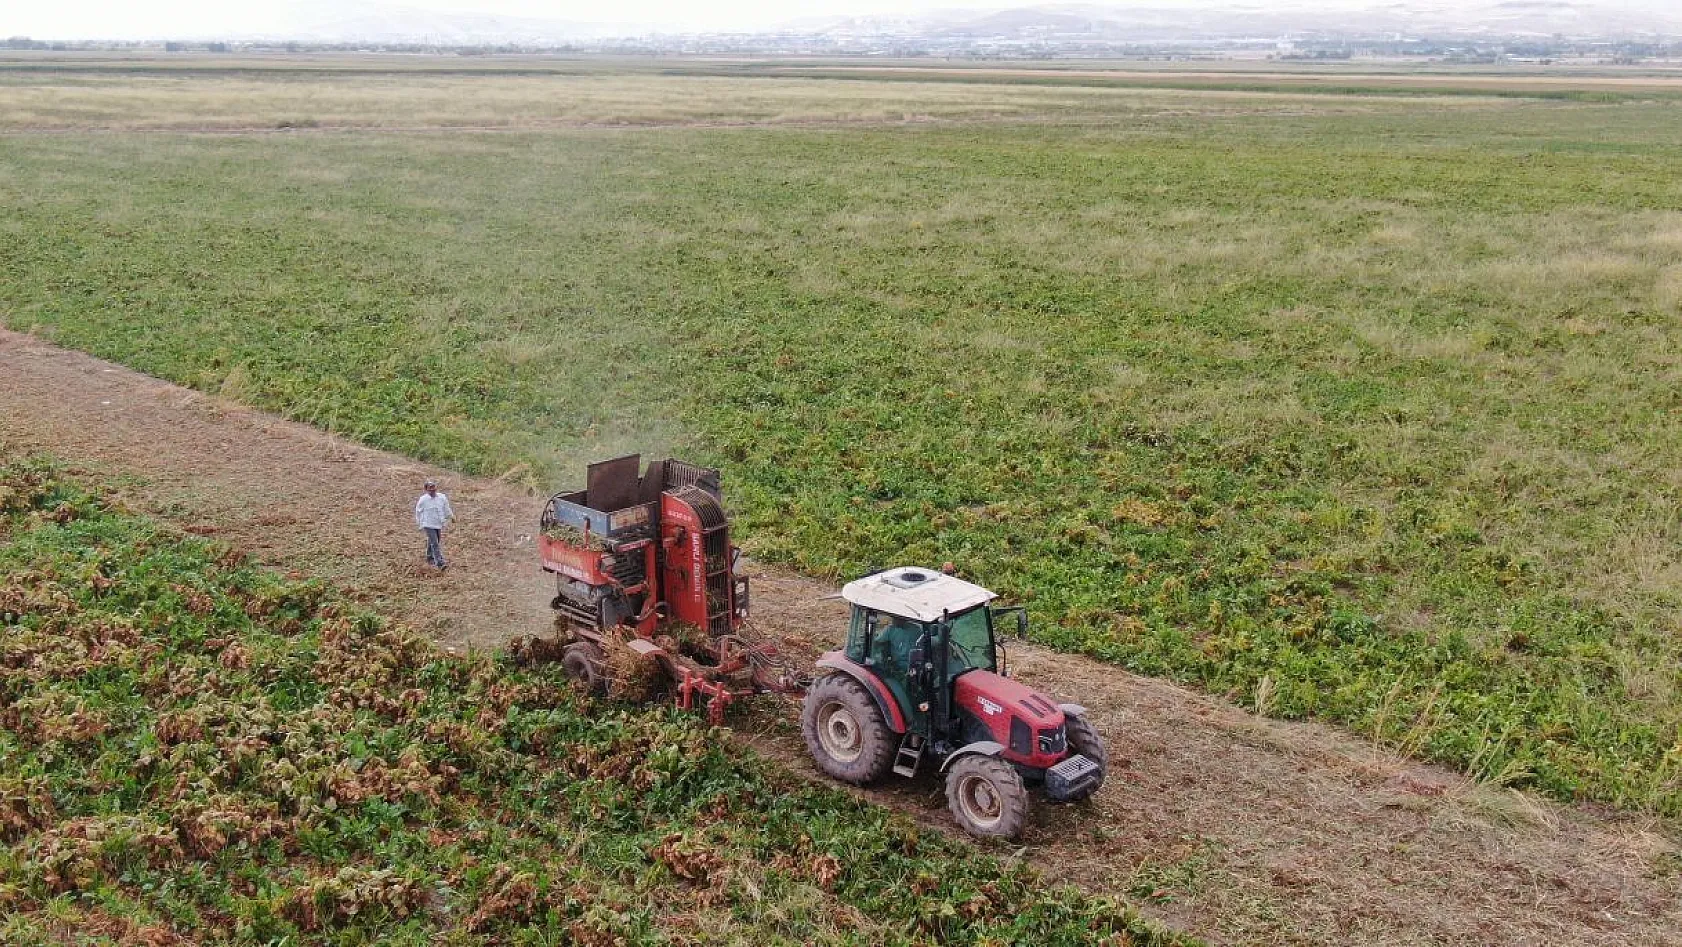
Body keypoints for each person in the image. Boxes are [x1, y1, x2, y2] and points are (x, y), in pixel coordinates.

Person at [414, 479, 455, 570]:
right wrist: (419, 523)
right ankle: (440, 563)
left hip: (438, 523)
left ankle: (429, 557)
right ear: (426, 490)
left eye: (434, 487)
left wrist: (451, 516)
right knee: (435, 543)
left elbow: (446, 507)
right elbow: (418, 511)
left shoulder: (442, 497)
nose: (432, 490)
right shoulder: (423, 500)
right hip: (428, 524)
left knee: (435, 540)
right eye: (430, 488)